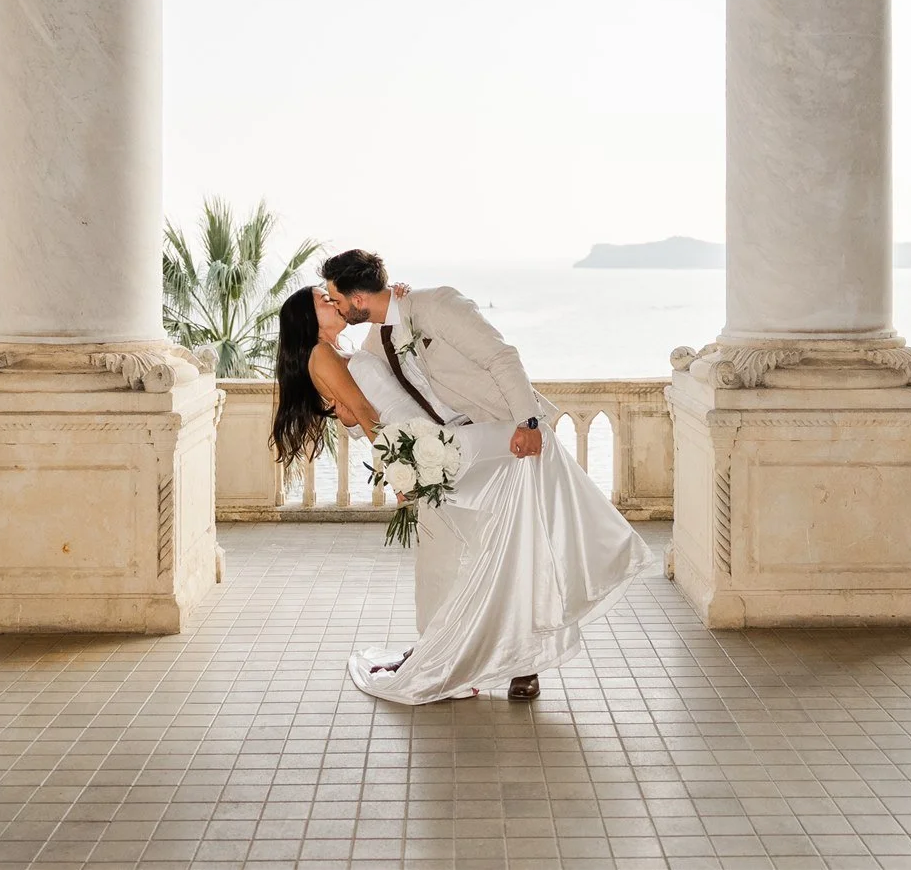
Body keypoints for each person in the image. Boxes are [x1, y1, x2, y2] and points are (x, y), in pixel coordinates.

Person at [270, 250, 653, 705]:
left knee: (518, 533)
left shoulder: (430, 306)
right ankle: (442, 651)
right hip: (432, 454)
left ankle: (526, 655)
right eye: (325, 300)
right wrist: (383, 450)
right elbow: (363, 411)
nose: (331, 303)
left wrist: (529, 423)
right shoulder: (363, 343)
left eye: (332, 296)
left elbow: (501, 357)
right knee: (445, 562)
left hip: (477, 440)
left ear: (355, 297)